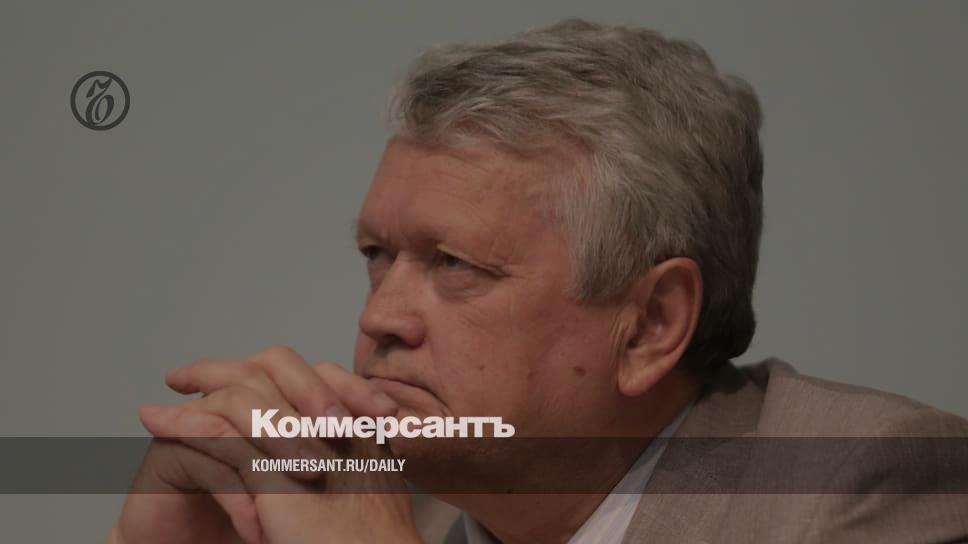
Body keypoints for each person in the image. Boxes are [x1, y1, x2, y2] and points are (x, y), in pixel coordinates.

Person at [106, 18, 968, 544]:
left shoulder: (864, 489)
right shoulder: (362, 507)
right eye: (377, 254)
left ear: (650, 326)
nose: (381, 318)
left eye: (455, 265)